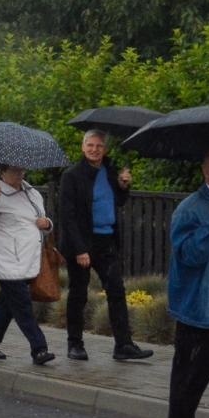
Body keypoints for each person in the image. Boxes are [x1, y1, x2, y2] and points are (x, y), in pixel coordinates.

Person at [60, 131, 152, 361]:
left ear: (105, 149)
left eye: (99, 146)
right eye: (90, 145)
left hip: (106, 240)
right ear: (83, 148)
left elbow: (117, 202)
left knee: (117, 291)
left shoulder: (110, 171)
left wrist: (123, 186)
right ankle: (75, 344)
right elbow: (67, 216)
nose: (94, 149)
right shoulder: (72, 175)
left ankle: (123, 345)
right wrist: (80, 249)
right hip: (81, 242)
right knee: (78, 294)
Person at [0, 165, 57, 365]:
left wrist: (47, 224)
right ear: (1, 172)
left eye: (22, 170)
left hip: (30, 258)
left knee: (6, 306)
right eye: (15, 171)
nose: (20, 174)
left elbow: (41, 220)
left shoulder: (32, 192)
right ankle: (39, 349)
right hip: (8, 261)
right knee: (23, 307)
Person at [166, 149, 209, 418]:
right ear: (205, 169)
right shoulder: (190, 209)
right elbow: (188, 256)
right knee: (189, 379)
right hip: (198, 310)